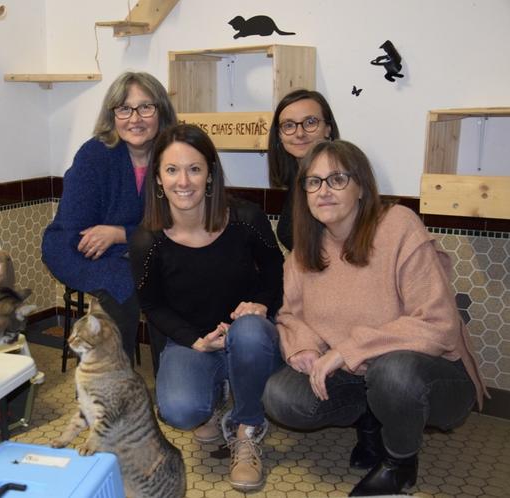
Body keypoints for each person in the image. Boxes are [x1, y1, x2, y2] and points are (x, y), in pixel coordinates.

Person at [262, 139, 487, 496]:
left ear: (362, 187)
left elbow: (438, 323)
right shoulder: (304, 249)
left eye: (337, 179)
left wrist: (347, 349)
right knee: (281, 396)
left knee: (393, 373)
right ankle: (373, 421)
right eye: (314, 182)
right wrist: (303, 347)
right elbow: (291, 314)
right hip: (356, 373)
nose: (324, 191)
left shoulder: (398, 225)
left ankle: (399, 461)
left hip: (432, 374)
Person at [129, 124, 285, 492]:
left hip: (249, 335)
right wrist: (195, 340)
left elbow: (276, 270)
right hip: (193, 341)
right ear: (158, 178)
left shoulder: (246, 219)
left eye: (194, 169)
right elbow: (151, 304)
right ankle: (217, 400)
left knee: (247, 333)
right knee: (181, 411)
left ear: (210, 174)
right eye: (172, 170)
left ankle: (246, 428)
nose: (184, 181)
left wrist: (261, 304)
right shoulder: (146, 241)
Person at [41, 71, 177, 361]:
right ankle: (112, 383)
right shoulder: (94, 154)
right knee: (122, 285)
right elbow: (80, 230)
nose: (135, 118)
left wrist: (120, 235)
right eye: (124, 108)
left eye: (145, 107)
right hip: (76, 247)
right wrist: (133, 240)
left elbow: (177, 226)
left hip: (146, 249)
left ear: (161, 111)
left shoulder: (175, 154)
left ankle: (170, 378)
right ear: (112, 114)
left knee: (168, 280)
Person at [268, 89, 340, 250]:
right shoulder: (297, 180)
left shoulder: (341, 182)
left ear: (328, 129)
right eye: (289, 125)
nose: (300, 133)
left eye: (310, 122)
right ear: (279, 135)